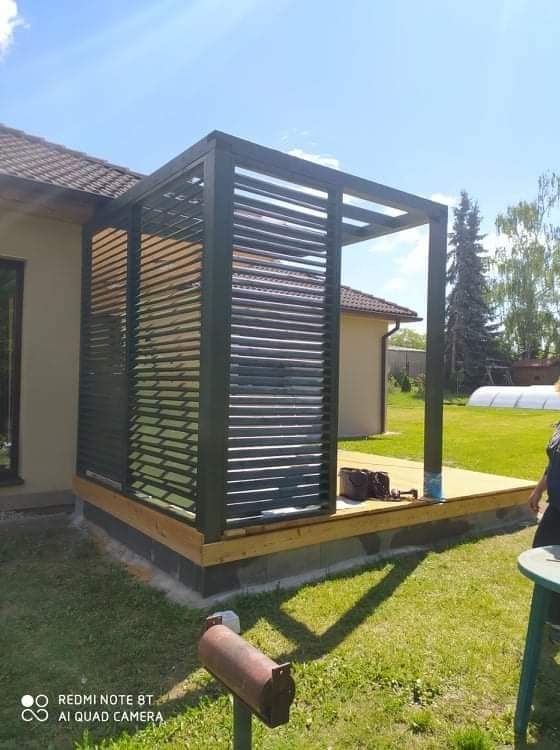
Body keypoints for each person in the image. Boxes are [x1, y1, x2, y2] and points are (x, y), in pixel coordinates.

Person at [528, 414, 560, 641]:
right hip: (556, 506)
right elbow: (552, 464)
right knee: (541, 551)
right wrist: (538, 490)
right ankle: (552, 615)